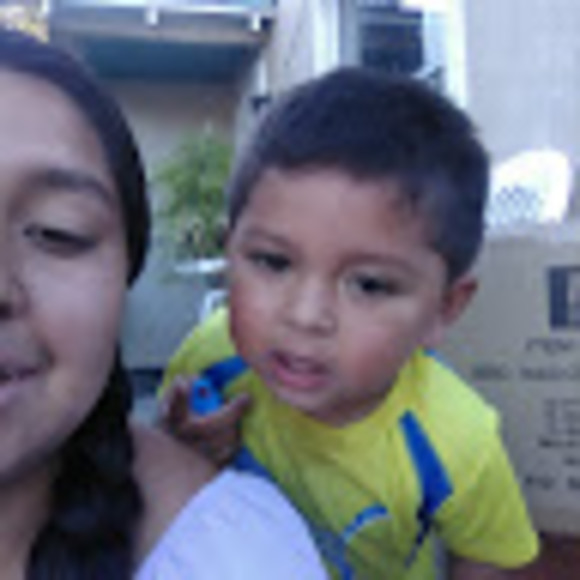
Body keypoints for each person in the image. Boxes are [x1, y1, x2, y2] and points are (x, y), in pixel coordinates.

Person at [160, 67, 541, 579]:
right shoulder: (210, 359)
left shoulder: (457, 441)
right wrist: (185, 450)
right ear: (230, 253)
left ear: (443, 310)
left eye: (369, 285)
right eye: (273, 262)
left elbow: (488, 558)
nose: (304, 316)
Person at [0, 27, 327, 580]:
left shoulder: (233, 557)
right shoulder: (213, 342)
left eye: (58, 231)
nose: (311, 313)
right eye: (275, 261)